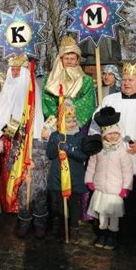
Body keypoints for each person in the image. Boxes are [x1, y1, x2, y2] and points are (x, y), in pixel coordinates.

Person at [89, 61, 136, 237]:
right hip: (111, 160)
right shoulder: (110, 100)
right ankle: (110, 232)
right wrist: (98, 142)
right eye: (124, 79)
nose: (126, 83)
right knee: (111, 197)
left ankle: (132, 234)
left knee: (135, 198)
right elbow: (96, 124)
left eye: (131, 80)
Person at [0, 55, 45, 213]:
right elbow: (0, 113)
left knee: (20, 172)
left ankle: (19, 207)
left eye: (18, 69)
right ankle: (6, 204)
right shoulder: (6, 88)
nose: (14, 72)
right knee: (5, 173)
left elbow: (28, 114)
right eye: (12, 69)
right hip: (5, 140)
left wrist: (12, 130)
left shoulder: (30, 88)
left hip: (22, 140)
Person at [85, 107, 133, 250]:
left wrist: (126, 187)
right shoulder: (98, 150)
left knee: (114, 215)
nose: (113, 137)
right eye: (109, 134)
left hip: (115, 191)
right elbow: (91, 165)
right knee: (102, 214)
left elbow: (127, 171)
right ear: (103, 134)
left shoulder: (121, 152)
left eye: (115, 134)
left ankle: (112, 236)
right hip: (101, 188)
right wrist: (89, 180)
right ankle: (102, 234)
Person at [47, 101, 89, 243]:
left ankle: (74, 228)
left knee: (73, 204)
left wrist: (69, 149)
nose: (71, 123)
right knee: (57, 203)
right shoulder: (55, 136)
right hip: (58, 175)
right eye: (67, 120)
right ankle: (58, 227)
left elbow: (82, 155)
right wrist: (56, 143)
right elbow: (50, 154)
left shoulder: (80, 136)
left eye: (73, 120)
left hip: (74, 176)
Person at [43, 35, 96, 129]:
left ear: (77, 60)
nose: (69, 61)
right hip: (56, 122)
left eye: (72, 59)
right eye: (66, 58)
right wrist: (58, 115)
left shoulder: (86, 80)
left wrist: (69, 114)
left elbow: (88, 102)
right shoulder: (50, 79)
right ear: (61, 59)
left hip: (76, 123)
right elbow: (47, 100)